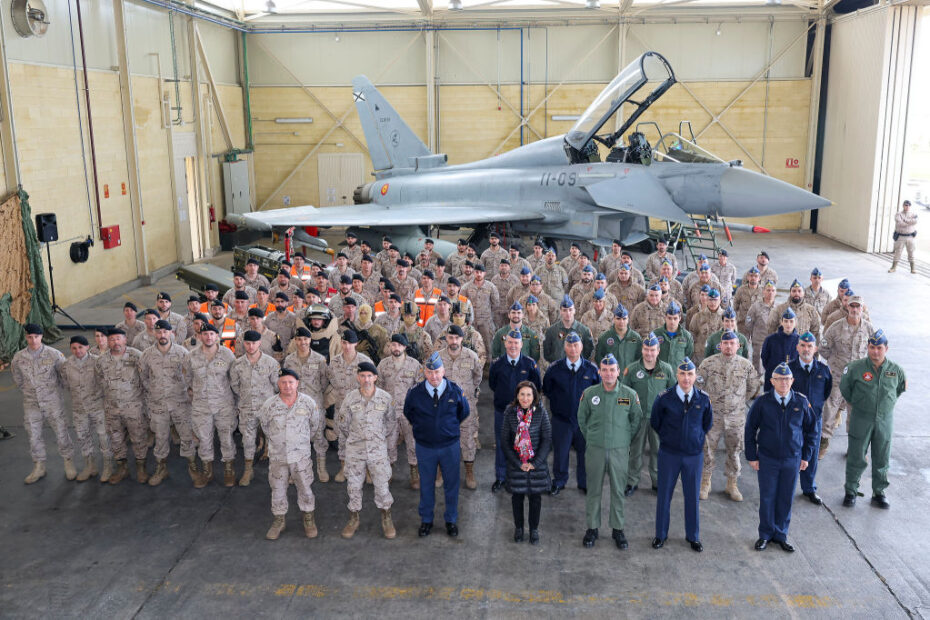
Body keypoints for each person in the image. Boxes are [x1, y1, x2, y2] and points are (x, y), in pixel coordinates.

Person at [745, 363, 818, 552]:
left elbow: (812, 431)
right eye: (779, 379)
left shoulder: (801, 402)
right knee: (767, 497)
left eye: (787, 379)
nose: (783, 383)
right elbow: (750, 429)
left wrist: (806, 456)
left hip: (792, 459)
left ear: (792, 381)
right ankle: (765, 534)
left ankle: (781, 534)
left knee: (786, 497)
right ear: (772, 381)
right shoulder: (762, 402)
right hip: (768, 458)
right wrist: (752, 456)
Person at [577, 354, 643, 550]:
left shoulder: (629, 395)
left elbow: (636, 420)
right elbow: (582, 419)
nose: (608, 374)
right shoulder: (589, 394)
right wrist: (592, 437)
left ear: (618, 371)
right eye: (604, 370)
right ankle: (592, 528)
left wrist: (623, 439)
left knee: (618, 490)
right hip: (595, 449)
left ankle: (618, 529)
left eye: (612, 370)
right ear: (599, 372)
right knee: (593, 490)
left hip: (619, 450)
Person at [403, 352, 471, 537]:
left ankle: (451, 520)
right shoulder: (415, 393)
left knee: (451, 484)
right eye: (430, 372)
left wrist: (447, 430)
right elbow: (408, 412)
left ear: (444, 371)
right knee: (426, 484)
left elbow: (463, 412)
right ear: (425, 372)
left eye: (438, 372)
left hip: (450, 447)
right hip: (425, 447)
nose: (434, 376)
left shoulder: (455, 391)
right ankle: (426, 520)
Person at [650, 357, 713, 552]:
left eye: (690, 374)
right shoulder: (664, 398)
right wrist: (670, 438)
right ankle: (660, 534)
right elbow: (656, 422)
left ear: (695, 376)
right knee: (664, 496)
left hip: (693, 456)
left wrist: (693, 439)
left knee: (692, 497)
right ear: (676, 375)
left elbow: (707, 424)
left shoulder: (703, 399)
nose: (686, 378)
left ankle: (693, 536)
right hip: (669, 454)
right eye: (683, 374)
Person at [840, 329, 906, 509]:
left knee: (882, 457)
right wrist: (860, 404)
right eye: (871, 347)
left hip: (885, 420)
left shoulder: (896, 370)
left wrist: (885, 407)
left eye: (879, 348)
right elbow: (845, 389)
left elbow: (899, 390)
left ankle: (879, 493)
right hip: (861, 418)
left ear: (886, 348)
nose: (875, 351)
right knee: (856, 455)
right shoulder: (855, 368)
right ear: (867, 348)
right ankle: (851, 491)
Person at [259, 368, 324, 540]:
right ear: (278, 384)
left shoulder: (308, 403)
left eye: (291, 382)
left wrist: (299, 442)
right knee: (278, 489)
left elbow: (314, 426)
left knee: (305, 487)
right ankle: (279, 520)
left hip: (300, 457)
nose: (287, 386)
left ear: (297, 384)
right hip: (278, 456)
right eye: (283, 382)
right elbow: (265, 427)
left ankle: (308, 518)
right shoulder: (269, 405)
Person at [696, 330, 760, 502]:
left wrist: (738, 401)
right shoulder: (708, 364)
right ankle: (705, 482)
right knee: (708, 450)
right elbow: (698, 386)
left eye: (733, 343)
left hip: (736, 418)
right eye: (726, 343)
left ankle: (732, 484)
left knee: (734, 450)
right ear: (720, 345)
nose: (729, 346)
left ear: (738, 346)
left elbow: (753, 387)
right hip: (713, 416)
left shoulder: (746, 366)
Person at [337, 362, 397, 539]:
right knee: (353, 486)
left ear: (376, 378)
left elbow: (391, 422)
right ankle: (354, 518)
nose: (366, 379)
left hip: (377, 450)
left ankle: (386, 518)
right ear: (358, 377)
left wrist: (376, 437)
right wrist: (357, 437)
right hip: (355, 450)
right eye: (362, 376)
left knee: (382, 484)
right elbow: (343, 424)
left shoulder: (385, 398)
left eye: (369, 376)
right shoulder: (350, 398)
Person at [12, 324, 74, 484]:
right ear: (26, 337)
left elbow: (64, 376)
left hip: (53, 402)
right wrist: (30, 392)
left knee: (61, 432)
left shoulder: (54, 355)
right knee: (33, 435)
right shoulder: (19, 357)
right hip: (31, 403)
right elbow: (18, 379)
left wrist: (52, 393)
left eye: (36, 337)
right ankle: (39, 466)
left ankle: (68, 463)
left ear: (41, 337)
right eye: (30, 337)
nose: (33, 340)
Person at [138, 320, 195, 486]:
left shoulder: (182, 353)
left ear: (171, 333)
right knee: (160, 437)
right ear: (155, 334)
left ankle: (193, 467)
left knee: (186, 435)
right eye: (159, 332)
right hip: (158, 404)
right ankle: (161, 468)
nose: (162, 335)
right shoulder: (147, 355)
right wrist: (155, 392)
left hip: (180, 403)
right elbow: (143, 378)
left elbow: (190, 376)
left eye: (165, 332)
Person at [542, 332, 599, 496]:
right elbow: (547, 390)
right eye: (569, 345)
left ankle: (584, 482)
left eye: (576, 345)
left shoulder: (591, 370)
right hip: (561, 420)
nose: (573, 349)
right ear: (564, 347)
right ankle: (559, 481)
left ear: (581, 347)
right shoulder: (554, 369)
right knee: (561, 452)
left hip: (584, 422)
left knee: (585, 453)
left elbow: (598, 393)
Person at [622, 332, 676, 496]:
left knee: (658, 451)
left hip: (659, 419)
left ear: (658, 350)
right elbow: (624, 396)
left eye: (652, 349)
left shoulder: (666, 369)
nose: (649, 353)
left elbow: (673, 394)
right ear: (642, 350)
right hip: (637, 419)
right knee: (635, 451)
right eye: (646, 349)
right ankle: (632, 481)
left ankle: (658, 482)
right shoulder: (631, 370)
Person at [185, 323, 237, 488]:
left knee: (226, 438)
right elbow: (186, 380)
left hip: (224, 405)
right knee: (204, 439)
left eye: (211, 334)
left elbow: (234, 380)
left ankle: (229, 469)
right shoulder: (191, 356)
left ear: (217, 336)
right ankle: (207, 471)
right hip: (201, 407)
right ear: (200, 336)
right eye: (205, 334)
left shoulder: (227, 355)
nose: (208, 337)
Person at [819, 295, 872, 458]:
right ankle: (823, 443)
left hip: (858, 380)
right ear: (847, 308)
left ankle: (854, 447)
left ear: (862, 309)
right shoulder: (836, 327)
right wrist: (835, 363)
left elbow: (874, 350)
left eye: (858, 307)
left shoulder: (869, 328)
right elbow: (824, 348)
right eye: (852, 306)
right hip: (837, 377)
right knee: (829, 409)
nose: (855, 310)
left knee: (855, 414)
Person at [500, 381, 552, 545]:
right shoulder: (509, 413)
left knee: (535, 499)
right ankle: (519, 528)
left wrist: (535, 463)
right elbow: (505, 442)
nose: (525, 398)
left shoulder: (541, 413)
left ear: (534, 396)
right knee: (517, 498)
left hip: (536, 466)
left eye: (529, 394)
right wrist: (518, 463)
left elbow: (547, 440)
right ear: (517, 395)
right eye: (522, 394)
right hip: (517, 466)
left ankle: (534, 529)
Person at [488, 330, 542, 491]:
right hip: (502, 413)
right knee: (502, 443)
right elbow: (492, 385)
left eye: (516, 343)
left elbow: (536, 387)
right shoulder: (497, 365)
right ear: (505, 343)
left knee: (525, 444)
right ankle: (501, 477)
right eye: (510, 342)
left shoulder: (530, 364)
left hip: (524, 414)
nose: (513, 346)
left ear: (521, 345)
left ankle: (522, 477)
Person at [95, 327, 148, 485]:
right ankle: (122, 468)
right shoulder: (101, 361)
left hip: (134, 407)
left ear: (125, 340)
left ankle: (141, 468)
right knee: (116, 439)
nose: (115, 342)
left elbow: (146, 379)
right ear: (108, 341)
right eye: (112, 339)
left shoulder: (137, 356)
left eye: (118, 338)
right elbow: (100, 382)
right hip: (112, 408)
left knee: (138, 437)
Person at [230, 329, 280, 486]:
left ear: (260, 343)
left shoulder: (271, 363)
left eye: (254, 343)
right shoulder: (237, 364)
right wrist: (245, 399)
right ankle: (248, 470)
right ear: (244, 344)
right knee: (248, 440)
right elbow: (235, 386)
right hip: (247, 408)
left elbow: (277, 386)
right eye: (248, 343)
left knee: (274, 439)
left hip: (267, 408)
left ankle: (278, 473)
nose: (251, 346)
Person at [59, 335, 112, 482]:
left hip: (98, 406)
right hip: (79, 408)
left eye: (81, 347)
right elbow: (65, 383)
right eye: (74, 348)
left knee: (103, 437)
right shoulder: (66, 365)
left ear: (88, 347)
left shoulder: (98, 362)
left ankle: (108, 466)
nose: (77, 351)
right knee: (83, 437)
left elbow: (105, 383)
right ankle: (90, 466)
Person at [788, 332, 832, 504]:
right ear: (797, 347)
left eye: (810, 346)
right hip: (793, 420)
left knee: (811, 456)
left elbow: (826, 391)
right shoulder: (789, 369)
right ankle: (787, 488)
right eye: (803, 346)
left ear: (815, 349)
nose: (806, 349)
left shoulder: (823, 370)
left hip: (814, 420)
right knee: (791, 454)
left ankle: (809, 488)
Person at [437, 326, 483, 490]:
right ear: (446, 339)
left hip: (465, 406)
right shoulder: (438, 358)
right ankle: (440, 472)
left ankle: (469, 472)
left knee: (468, 439)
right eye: (450, 337)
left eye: (457, 337)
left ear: (462, 339)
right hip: (444, 408)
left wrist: (469, 393)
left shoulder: (471, 356)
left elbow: (478, 377)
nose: (454, 341)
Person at [377, 334, 425, 489]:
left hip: (409, 411)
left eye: (399, 345)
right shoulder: (383, 365)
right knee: (389, 443)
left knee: (412, 442)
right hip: (389, 411)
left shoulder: (414, 365)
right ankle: (389, 471)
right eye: (393, 345)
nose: (396, 348)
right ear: (390, 346)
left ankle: (414, 472)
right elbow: (378, 388)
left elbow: (420, 389)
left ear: (405, 347)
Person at [760, 309, 799, 390]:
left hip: (793, 380)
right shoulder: (771, 339)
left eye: (791, 321)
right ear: (781, 322)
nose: (788, 324)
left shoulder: (800, 341)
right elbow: (764, 358)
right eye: (786, 321)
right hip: (774, 378)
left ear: (795, 323)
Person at [889, 199, 918, 273]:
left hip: (910, 236)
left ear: (910, 206)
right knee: (897, 252)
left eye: (908, 205)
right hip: (900, 236)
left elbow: (915, 221)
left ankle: (913, 269)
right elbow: (900, 223)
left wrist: (905, 220)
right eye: (905, 205)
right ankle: (893, 267)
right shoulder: (898, 214)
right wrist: (909, 222)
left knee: (911, 252)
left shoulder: (913, 214)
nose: (907, 206)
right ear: (903, 205)